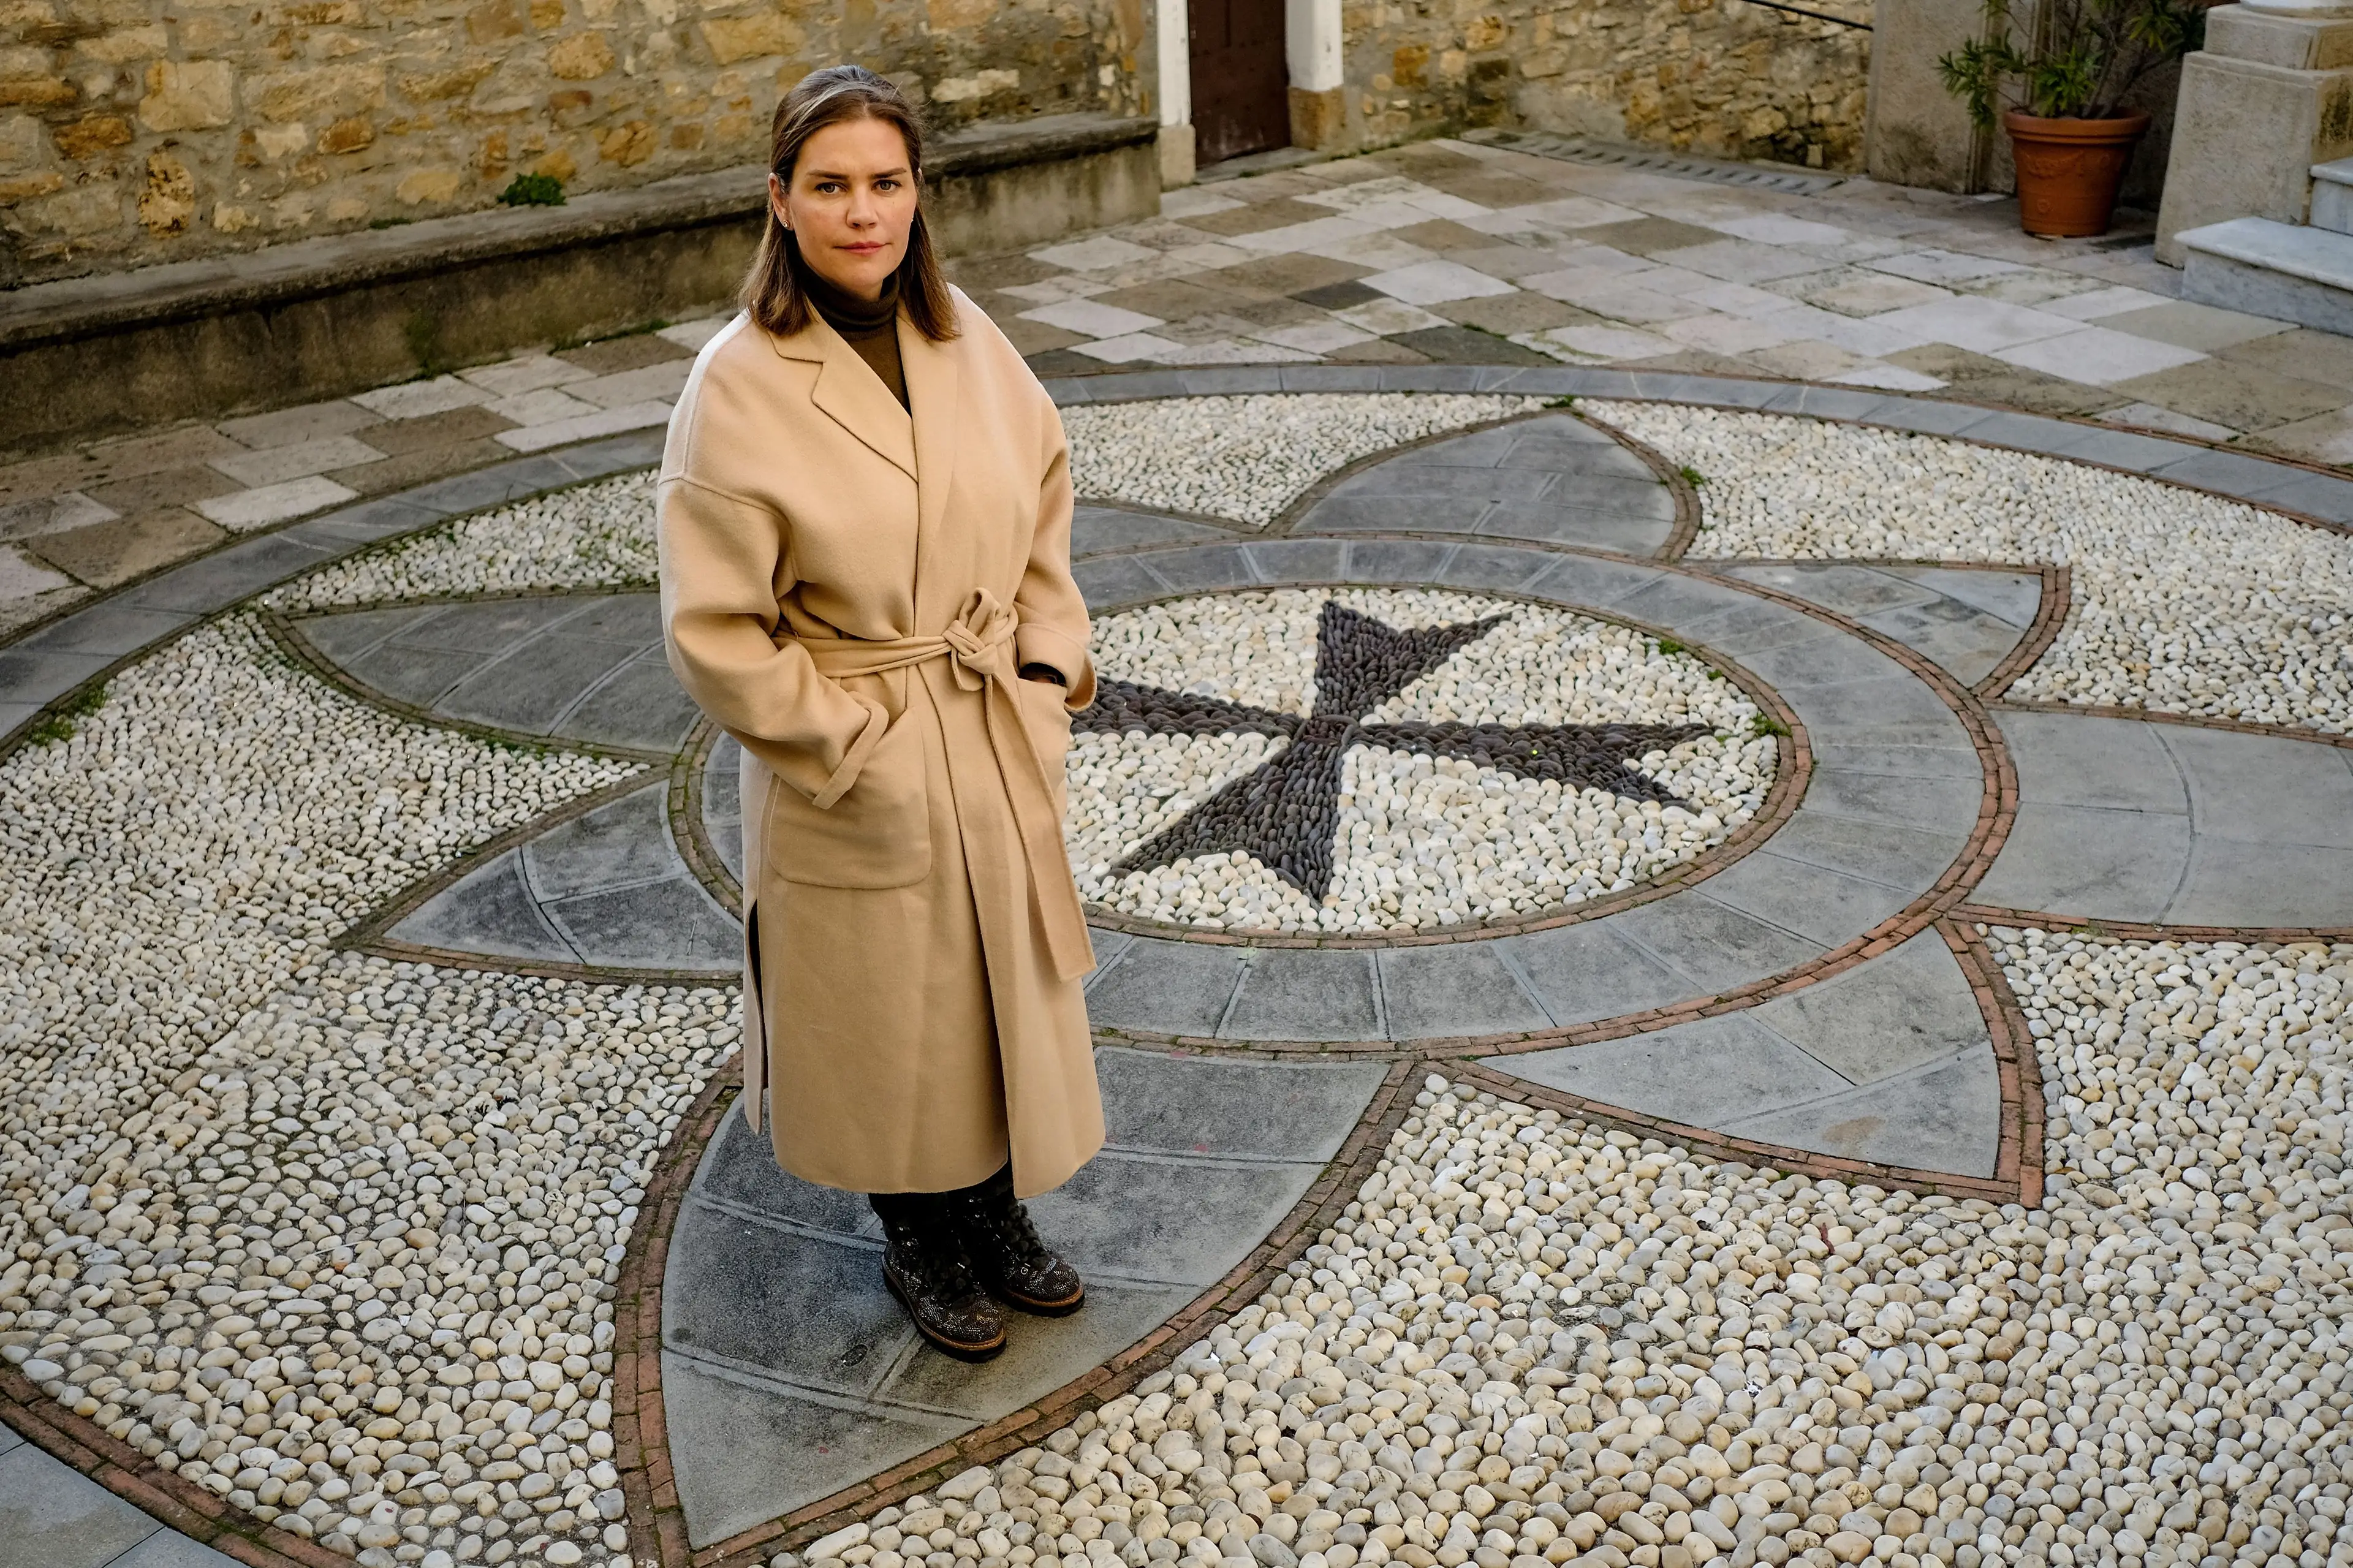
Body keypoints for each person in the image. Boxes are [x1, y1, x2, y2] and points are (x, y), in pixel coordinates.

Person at [655, 64, 1102, 1362]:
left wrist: (1042, 673)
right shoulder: (736, 388)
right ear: (781, 201)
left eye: (887, 183)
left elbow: (1044, 509)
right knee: (887, 1011)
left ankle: (994, 1203)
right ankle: (921, 1231)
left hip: (988, 726)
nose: (865, 212)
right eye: (833, 185)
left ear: (919, 193)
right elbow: (714, 630)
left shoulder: (968, 338)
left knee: (987, 990)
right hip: (853, 745)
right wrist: (851, 746)